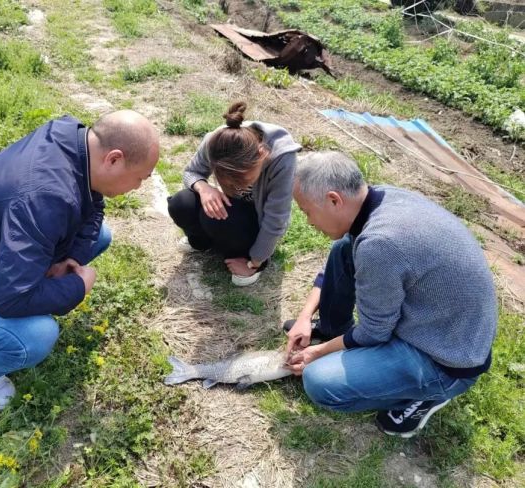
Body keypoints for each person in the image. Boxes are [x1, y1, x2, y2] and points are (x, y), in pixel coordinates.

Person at [0, 112, 159, 409]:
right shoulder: (45, 196)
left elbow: (93, 203)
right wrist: (77, 286)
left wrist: (72, 257)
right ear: (113, 159)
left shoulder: (73, 140)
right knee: (35, 336)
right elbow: (12, 299)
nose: (138, 187)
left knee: (100, 236)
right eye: (140, 178)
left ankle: (30, 280)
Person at [285, 151, 496, 438]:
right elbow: (344, 259)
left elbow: (374, 333)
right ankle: (334, 329)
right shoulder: (381, 197)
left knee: (319, 381)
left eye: (307, 211)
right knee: (343, 249)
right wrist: (304, 316)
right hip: (448, 325)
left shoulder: (379, 244)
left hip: (445, 357)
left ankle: (432, 393)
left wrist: (318, 353)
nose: (309, 221)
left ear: (334, 200)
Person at [167, 102, 301, 286]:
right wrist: (204, 188)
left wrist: (255, 262)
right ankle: (202, 243)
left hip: (256, 221)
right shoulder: (216, 143)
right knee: (181, 203)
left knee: (214, 217)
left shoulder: (281, 157)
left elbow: (275, 218)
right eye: (230, 181)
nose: (237, 187)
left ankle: (242, 256)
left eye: (244, 179)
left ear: (262, 154)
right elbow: (191, 172)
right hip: (231, 209)